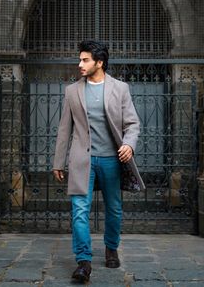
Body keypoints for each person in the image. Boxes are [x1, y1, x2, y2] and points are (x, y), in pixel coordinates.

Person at [53, 40, 145, 283]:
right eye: (80, 59)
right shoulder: (72, 91)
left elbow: (133, 123)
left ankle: (111, 247)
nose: (80, 64)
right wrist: (58, 161)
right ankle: (83, 261)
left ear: (99, 63)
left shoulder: (120, 88)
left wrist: (128, 144)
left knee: (114, 208)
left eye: (85, 60)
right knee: (79, 211)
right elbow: (65, 129)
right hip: (81, 160)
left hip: (111, 161)